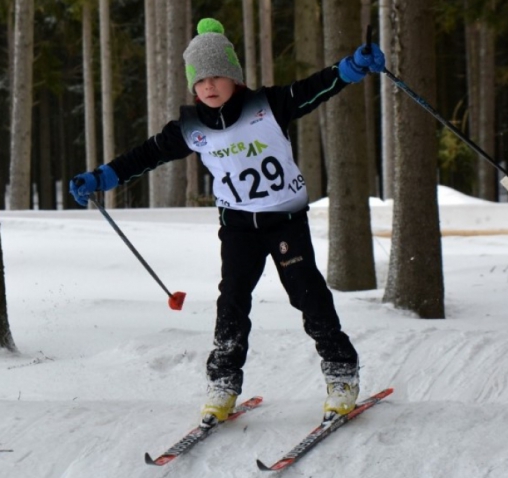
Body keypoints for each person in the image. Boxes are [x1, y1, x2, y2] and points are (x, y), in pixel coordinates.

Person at [70, 18, 386, 426]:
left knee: (307, 293)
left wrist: (350, 68)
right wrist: (102, 177)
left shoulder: (267, 105)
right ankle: (222, 383)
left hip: (285, 220)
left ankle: (341, 372)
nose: (209, 86)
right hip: (238, 227)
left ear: (234, 77)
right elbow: (146, 154)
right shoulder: (191, 127)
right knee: (232, 300)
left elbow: (312, 90)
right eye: (200, 79)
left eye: (217, 75)